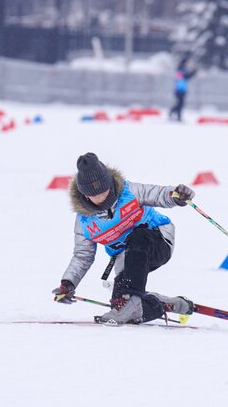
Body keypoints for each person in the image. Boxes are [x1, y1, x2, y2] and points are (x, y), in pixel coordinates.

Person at [51, 152, 196, 325]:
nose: (101, 197)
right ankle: (167, 304)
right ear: (85, 195)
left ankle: (132, 301)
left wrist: (176, 195)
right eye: (94, 194)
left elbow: (158, 194)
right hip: (127, 260)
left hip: (158, 241)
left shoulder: (128, 192)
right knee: (120, 306)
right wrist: (68, 284)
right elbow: (83, 255)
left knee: (138, 236)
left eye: (104, 190)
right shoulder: (84, 223)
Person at [169, 57, 197, 121]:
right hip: (179, 89)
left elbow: (187, 76)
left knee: (180, 103)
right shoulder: (181, 69)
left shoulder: (183, 69)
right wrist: (194, 71)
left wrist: (193, 72)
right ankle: (175, 114)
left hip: (182, 89)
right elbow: (186, 76)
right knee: (180, 103)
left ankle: (175, 114)